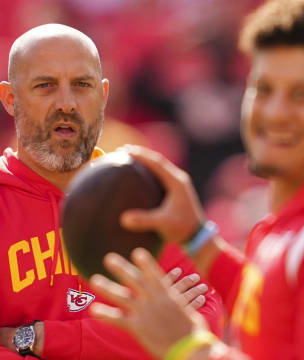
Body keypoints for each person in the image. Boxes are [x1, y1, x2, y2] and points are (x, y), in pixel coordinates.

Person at [88, 0, 304, 359]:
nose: (275, 112)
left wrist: (187, 345)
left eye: (303, 95)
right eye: (263, 89)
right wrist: (196, 238)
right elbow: (274, 319)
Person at [0, 24, 224, 359]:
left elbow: (203, 324)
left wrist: (40, 338)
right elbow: (173, 337)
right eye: (45, 86)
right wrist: (143, 339)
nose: (66, 103)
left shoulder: (144, 196)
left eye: (82, 85)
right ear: (11, 99)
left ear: (103, 96)